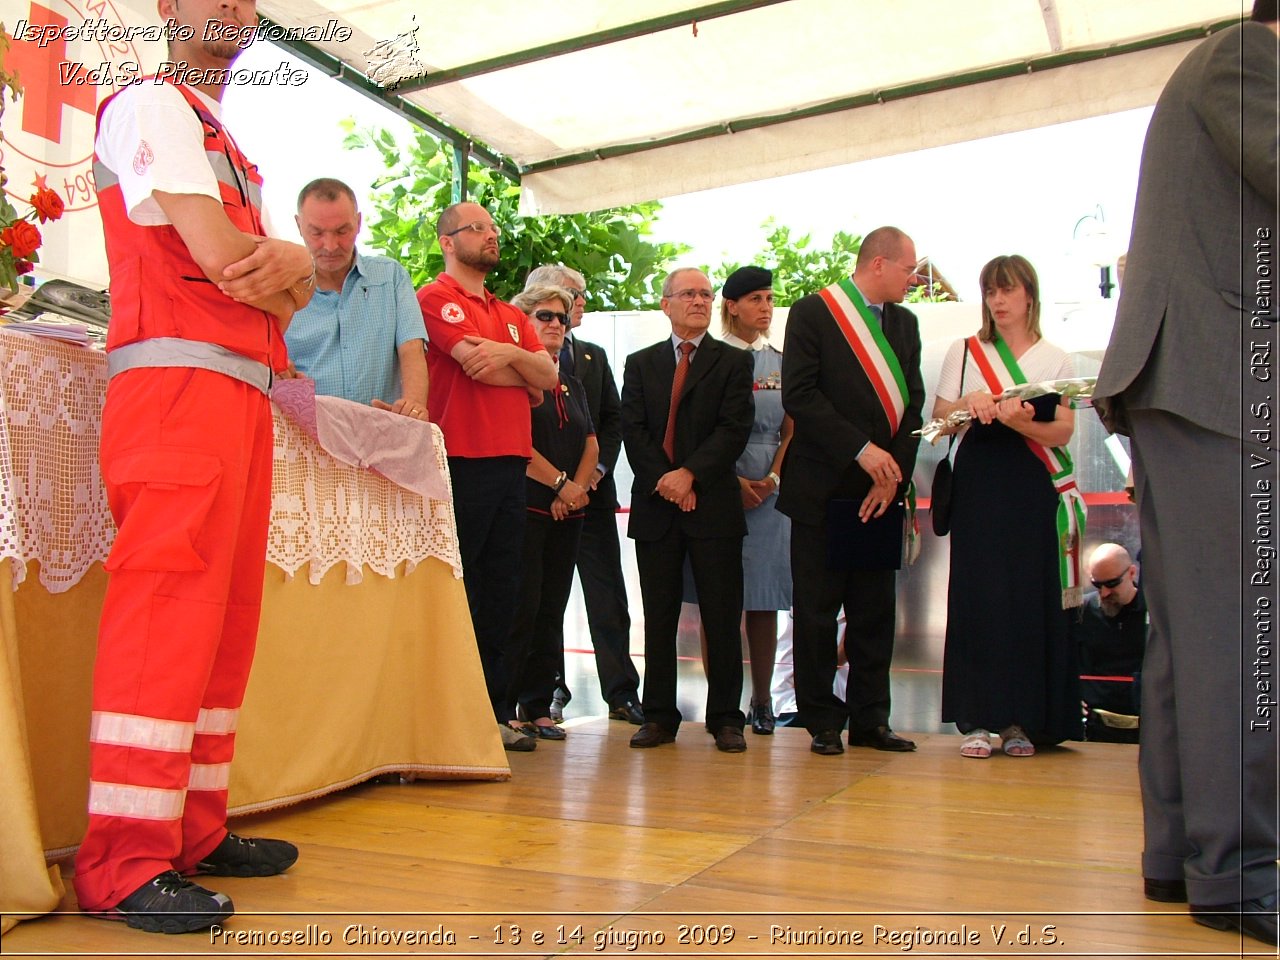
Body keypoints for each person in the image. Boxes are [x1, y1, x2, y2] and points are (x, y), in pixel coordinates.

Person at [74, 0, 314, 933]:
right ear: (167, 6)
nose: (231, 6)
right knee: (165, 615)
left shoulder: (219, 133)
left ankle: (189, 833)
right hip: (175, 385)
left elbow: (285, 302)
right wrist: (289, 258)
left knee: (224, 623)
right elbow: (225, 260)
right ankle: (122, 862)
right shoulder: (151, 103)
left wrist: (282, 269)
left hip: (236, 394)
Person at [1093, 1, 1279, 944]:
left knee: (1197, 633)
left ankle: (1182, 855)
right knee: (1243, 629)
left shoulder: (1227, 59)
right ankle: (1241, 869)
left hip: (1202, 376)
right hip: (1213, 369)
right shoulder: (1247, 52)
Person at [416, 202, 558, 753]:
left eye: (493, 228)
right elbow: (473, 362)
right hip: (459, 460)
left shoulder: (509, 312)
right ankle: (448, 718)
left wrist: (510, 356)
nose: (491, 235)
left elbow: (544, 378)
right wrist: (517, 364)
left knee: (503, 593)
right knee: (463, 590)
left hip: (509, 463)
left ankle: (492, 714)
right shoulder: (436, 298)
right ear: (448, 241)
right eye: (478, 228)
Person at [779, 226, 924, 756]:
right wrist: (860, 450)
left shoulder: (905, 325)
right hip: (823, 486)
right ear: (879, 263)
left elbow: (914, 406)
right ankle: (820, 719)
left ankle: (872, 720)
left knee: (873, 612)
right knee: (816, 612)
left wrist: (894, 476)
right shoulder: (814, 313)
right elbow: (800, 395)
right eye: (909, 268)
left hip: (879, 493)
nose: (915, 278)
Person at [932, 254, 1084, 760]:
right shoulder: (967, 350)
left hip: (1031, 481)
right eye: (991, 292)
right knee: (980, 592)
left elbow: (1063, 429)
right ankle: (977, 719)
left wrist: (1017, 421)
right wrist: (967, 404)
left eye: (1007, 291)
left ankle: (1022, 720)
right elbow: (938, 420)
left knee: (1026, 594)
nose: (998, 301)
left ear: (1029, 297)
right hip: (980, 482)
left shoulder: (1056, 358)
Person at [621, 267, 754, 752]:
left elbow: (733, 429)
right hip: (658, 507)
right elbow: (632, 430)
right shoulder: (639, 364)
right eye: (688, 294)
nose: (698, 301)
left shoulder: (734, 362)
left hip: (712, 503)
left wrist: (691, 475)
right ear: (666, 304)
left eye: (705, 294)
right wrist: (668, 481)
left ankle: (726, 718)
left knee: (722, 614)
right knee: (659, 616)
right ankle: (658, 716)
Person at [523, 265, 643, 726]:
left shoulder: (591, 358)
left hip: (589, 499)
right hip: (538, 497)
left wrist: (587, 481)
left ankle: (621, 693)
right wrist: (560, 486)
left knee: (607, 596)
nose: (571, 309)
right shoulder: (521, 359)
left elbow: (609, 423)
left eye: (576, 299)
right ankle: (547, 691)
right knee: (541, 599)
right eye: (565, 298)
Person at [686, 266, 792, 734]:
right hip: (718, 484)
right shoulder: (711, 357)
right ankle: (720, 700)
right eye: (755, 300)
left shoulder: (782, 361)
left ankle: (763, 699)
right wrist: (729, 480)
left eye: (770, 299)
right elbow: (702, 431)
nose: (765, 308)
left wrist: (771, 477)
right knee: (719, 598)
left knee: (764, 600)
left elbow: (793, 427)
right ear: (731, 305)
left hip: (771, 489)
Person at [501, 285, 599, 741]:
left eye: (561, 317)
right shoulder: (516, 379)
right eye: (544, 316)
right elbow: (518, 444)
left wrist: (576, 489)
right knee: (521, 607)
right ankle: (506, 707)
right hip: (529, 507)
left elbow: (592, 442)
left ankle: (539, 705)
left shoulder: (574, 383)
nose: (556, 324)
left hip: (569, 513)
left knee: (552, 610)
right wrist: (561, 486)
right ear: (523, 323)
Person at [281, 178, 428, 418]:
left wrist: (412, 409)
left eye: (342, 231)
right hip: (309, 437)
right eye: (316, 232)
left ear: (358, 223)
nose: (330, 246)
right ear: (299, 225)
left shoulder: (391, 276)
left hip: (382, 432)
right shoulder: (280, 288)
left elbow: (412, 349)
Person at [1074, 543, 1146, 744]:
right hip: (1095, 728)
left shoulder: (1153, 614)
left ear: (1132, 572)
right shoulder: (1083, 611)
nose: (1104, 593)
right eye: (1097, 585)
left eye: (1112, 583)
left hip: (1145, 730)